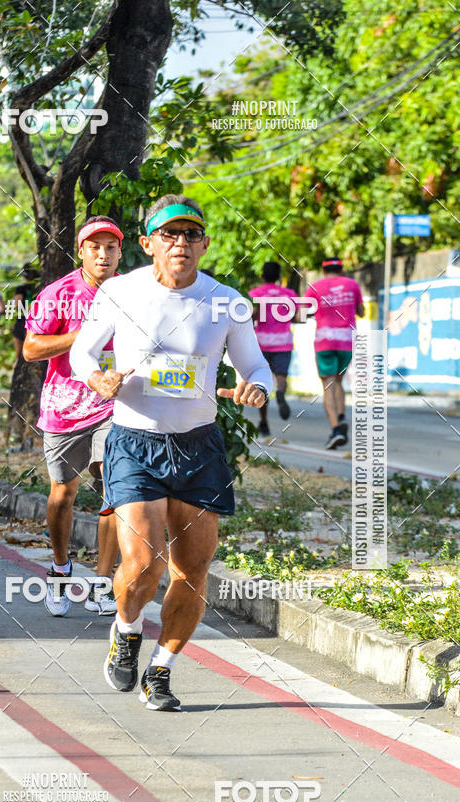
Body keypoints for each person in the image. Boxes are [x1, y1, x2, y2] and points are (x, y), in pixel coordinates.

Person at [70, 194, 272, 711]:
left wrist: (257, 388)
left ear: (204, 243)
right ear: (147, 243)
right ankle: (126, 628)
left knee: (192, 570)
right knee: (142, 567)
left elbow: (257, 366)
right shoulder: (120, 291)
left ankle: (160, 671)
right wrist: (98, 377)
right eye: (168, 234)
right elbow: (82, 351)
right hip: (135, 441)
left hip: (199, 447)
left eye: (190, 235)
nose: (180, 243)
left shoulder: (226, 301)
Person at [23, 215, 123, 618]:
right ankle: (60, 569)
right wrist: (83, 335)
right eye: (95, 247)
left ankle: (102, 582)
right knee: (63, 494)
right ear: (81, 251)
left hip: (114, 406)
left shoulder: (132, 292)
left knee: (115, 490)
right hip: (65, 408)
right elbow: (31, 349)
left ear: (121, 252)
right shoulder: (58, 293)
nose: (103, 254)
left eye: (110, 247)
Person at [305, 258, 364, 449]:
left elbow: (302, 313)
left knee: (328, 385)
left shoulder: (315, 287)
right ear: (341, 269)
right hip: (346, 341)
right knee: (339, 380)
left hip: (324, 341)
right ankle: (341, 415)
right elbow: (361, 311)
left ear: (323, 270)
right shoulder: (352, 285)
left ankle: (336, 429)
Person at [249, 261, 300, 436]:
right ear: (279, 277)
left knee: (262, 382)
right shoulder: (289, 294)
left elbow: (251, 315)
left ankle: (264, 422)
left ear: (263, 276)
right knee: (281, 376)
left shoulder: (255, 294)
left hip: (261, 343)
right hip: (283, 342)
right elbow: (298, 316)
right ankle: (280, 393)